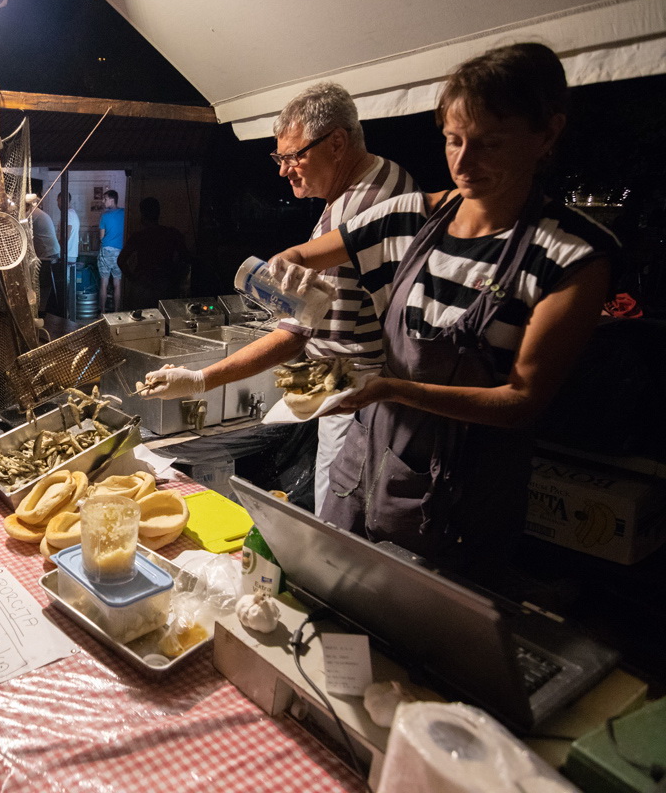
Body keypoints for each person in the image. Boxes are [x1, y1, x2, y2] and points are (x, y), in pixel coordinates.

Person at [263, 44, 617, 574]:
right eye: (453, 140)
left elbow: (521, 401)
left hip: (464, 495)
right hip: (367, 464)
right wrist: (284, 266)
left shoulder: (573, 256)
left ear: (546, 134)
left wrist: (391, 389)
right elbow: (298, 256)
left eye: (489, 143)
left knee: (427, 632)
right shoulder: (414, 215)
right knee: (330, 590)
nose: (463, 163)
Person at [144, 82, 419, 511]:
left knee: (335, 521)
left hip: (354, 402)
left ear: (338, 142)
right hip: (362, 393)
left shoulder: (352, 212)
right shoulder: (391, 175)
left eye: (294, 156)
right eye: (280, 157)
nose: (283, 170)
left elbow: (297, 332)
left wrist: (200, 379)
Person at [117, 196, 191, 309]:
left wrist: (133, 278)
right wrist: (176, 278)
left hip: (143, 284)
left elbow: (121, 260)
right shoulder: (172, 233)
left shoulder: (138, 236)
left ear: (142, 215)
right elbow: (186, 259)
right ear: (158, 213)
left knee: (140, 322)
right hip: (165, 284)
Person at [26, 193, 61, 316]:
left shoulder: (32, 214)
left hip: (48, 254)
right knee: (43, 284)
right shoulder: (38, 214)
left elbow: (20, 230)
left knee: (42, 284)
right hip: (52, 252)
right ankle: (42, 311)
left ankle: (41, 312)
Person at [97, 189, 125, 312]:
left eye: (105, 199)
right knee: (117, 283)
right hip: (119, 252)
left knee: (104, 282)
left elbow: (101, 237)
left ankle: (102, 312)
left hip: (106, 250)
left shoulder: (104, 216)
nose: (103, 201)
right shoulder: (124, 213)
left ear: (112, 200)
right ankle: (116, 312)